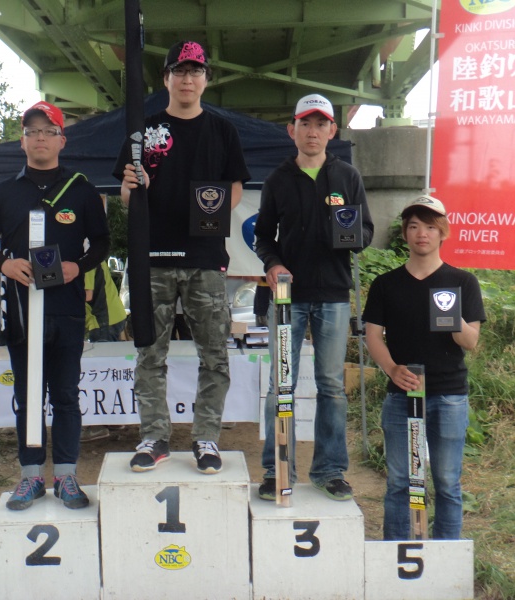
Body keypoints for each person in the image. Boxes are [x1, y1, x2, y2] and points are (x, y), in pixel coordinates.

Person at [115, 40, 250, 474]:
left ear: (206, 79)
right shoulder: (144, 130)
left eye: (196, 71)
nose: (188, 78)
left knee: (215, 353)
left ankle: (206, 437)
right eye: (180, 70)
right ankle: (154, 436)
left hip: (206, 259)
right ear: (166, 78)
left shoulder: (222, 131)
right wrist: (133, 189)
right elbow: (123, 195)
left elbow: (235, 189)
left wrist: (208, 214)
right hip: (151, 258)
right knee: (149, 354)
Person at [0, 101, 110, 511]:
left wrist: (77, 266)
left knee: (66, 394)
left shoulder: (82, 189)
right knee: (28, 395)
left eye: (48, 132)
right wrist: (5, 264)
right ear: (22, 141)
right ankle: (30, 476)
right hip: (21, 311)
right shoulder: (3, 192)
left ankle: (67, 476)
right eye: (32, 132)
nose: (40, 139)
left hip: (67, 309)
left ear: (61, 140)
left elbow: (102, 243)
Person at [254, 93, 373, 501]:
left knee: (331, 386)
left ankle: (329, 469)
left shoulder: (347, 177)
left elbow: (367, 232)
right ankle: (275, 469)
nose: (313, 131)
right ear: (292, 130)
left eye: (321, 124)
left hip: (335, 296)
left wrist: (350, 237)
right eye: (305, 123)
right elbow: (262, 236)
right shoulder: (278, 179)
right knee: (279, 384)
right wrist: (272, 264)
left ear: (332, 131)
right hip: (288, 297)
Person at [363, 195, 485, 540]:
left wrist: (451, 318)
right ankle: (397, 553)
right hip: (401, 395)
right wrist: (391, 368)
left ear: (442, 232)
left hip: (448, 395)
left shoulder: (462, 282)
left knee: (447, 481)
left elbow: (471, 341)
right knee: (400, 480)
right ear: (404, 233)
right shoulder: (386, 284)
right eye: (414, 226)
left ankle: (446, 554)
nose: (422, 234)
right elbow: (373, 336)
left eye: (430, 227)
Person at [80, 260, 127, 443]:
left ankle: (97, 425)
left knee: (101, 374)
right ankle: (115, 420)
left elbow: (87, 294)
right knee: (111, 371)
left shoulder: (86, 261)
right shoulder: (92, 256)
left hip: (103, 321)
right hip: (111, 317)